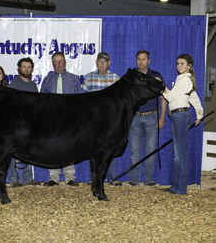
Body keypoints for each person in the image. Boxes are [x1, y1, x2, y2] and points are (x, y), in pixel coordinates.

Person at [161, 54, 203, 195]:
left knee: (180, 154)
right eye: (178, 63)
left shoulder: (184, 80)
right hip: (180, 116)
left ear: (189, 65)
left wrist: (162, 87)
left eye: (182, 63)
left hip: (179, 116)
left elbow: (170, 97)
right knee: (178, 153)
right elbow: (193, 97)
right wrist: (199, 114)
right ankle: (176, 186)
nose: (179, 66)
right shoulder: (185, 79)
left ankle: (180, 188)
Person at [125, 50, 167, 187]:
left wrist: (162, 118)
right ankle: (134, 180)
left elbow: (164, 97)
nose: (141, 62)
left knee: (150, 150)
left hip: (152, 116)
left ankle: (149, 180)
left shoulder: (156, 77)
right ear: (135, 60)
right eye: (138, 59)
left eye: (143, 59)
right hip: (135, 117)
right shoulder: (131, 77)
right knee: (134, 150)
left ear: (148, 61)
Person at [40, 52, 81, 186]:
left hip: (69, 118)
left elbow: (79, 100)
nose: (59, 64)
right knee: (52, 146)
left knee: (70, 146)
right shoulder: (47, 80)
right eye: (56, 62)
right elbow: (42, 101)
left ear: (65, 62)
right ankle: (54, 177)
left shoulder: (74, 79)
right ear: (53, 64)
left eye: (61, 61)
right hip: (52, 119)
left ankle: (70, 177)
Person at [82, 52, 122, 186]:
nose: (102, 63)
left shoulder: (116, 78)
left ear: (109, 63)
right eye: (100, 61)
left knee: (110, 148)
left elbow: (120, 100)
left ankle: (112, 178)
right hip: (93, 120)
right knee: (92, 149)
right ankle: (93, 178)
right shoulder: (88, 78)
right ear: (96, 62)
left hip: (110, 120)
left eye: (105, 61)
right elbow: (83, 99)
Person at [7, 58, 41, 188]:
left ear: (32, 69)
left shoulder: (33, 85)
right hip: (17, 123)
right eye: (24, 67)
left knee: (29, 151)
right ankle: (14, 179)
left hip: (30, 124)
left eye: (29, 67)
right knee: (14, 151)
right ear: (19, 68)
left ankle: (28, 178)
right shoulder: (14, 84)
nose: (26, 69)